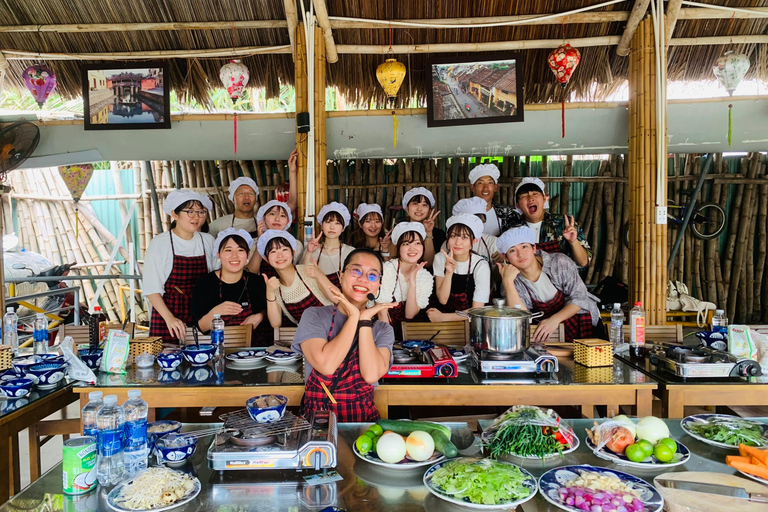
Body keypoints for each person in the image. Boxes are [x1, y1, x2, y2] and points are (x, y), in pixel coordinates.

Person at [292, 249, 396, 421]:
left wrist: (364, 321)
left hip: (364, 423)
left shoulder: (383, 330)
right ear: (341, 275)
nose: (363, 279)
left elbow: (371, 375)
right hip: (317, 421)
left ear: (378, 284)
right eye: (356, 271)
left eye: (372, 275)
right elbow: (326, 365)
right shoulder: (314, 316)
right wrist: (354, 316)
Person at [498, 226, 603, 343]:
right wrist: (508, 283)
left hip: (582, 320)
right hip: (551, 332)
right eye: (512, 250)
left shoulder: (559, 263)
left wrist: (554, 320)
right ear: (505, 257)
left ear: (534, 248)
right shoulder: (512, 281)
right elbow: (520, 318)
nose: (520, 254)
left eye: (524, 246)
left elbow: (579, 297)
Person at [145, 190, 217, 344]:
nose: (196, 217)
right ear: (175, 214)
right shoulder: (160, 243)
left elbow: (216, 276)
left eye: (200, 212)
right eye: (190, 211)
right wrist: (169, 318)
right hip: (168, 314)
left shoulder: (208, 241)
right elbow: (152, 289)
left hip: (200, 313)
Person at [190, 228, 266, 334]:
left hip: (253, 348)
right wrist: (216, 312)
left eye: (240, 250)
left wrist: (260, 316)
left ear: (247, 255)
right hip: (216, 347)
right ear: (218, 255)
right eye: (228, 250)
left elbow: (268, 311)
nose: (234, 255)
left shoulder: (256, 282)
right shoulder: (205, 284)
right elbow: (200, 327)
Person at [259, 230, 335, 327]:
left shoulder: (307, 271)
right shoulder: (275, 288)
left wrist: (319, 275)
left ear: (293, 252)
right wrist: (269, 292)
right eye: (273, 251)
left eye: (284, 249)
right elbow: (275, 323)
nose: (280, 256)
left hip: (332, 326)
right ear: (266, 259)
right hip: (307, 335)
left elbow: (337, 299)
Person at [511, 177, 591, 268]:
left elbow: (583, 262)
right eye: (524, 196)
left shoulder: (563, 223)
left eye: (535, 194)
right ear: (517, 204)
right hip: (528, 282)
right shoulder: (513, 231)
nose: (530, 198)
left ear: (545, 199)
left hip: (562, 281)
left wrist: (573, 242)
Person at [428, 214, 491, 322]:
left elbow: (477, 310)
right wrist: (449, 273)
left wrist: (443, 318)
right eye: (453, 236)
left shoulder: (481, 265)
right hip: (442, 320)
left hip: (471, 322)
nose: (457, 242)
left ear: (474, 241)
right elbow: (442, 300)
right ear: (447, 237)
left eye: (464, 237)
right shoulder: (440, 258)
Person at [376, 222, 433, 340]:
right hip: (383, 329)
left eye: (417, 243)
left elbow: (410, 314)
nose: (412, 248)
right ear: (397, 248)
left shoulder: (425, 276)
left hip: (411, 335)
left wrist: (412, 283)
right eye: (406, 244)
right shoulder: (388, 269)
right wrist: (387, 342)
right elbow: (382, 310)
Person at [303, 202, 355, 287]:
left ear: (343, 228)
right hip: (315, 299)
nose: (332, 227)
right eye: (328, 222)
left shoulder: (350, 252)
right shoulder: (312, 249)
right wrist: (309, 252)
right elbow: (302, 277)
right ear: (322, 225)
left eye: (337, 223)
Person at [248, 199, 304, 277]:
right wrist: (261, 243)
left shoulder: (296, 244)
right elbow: (250, 273)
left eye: (282, 215)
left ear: (288, 221)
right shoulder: (252, 243)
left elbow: (300, 273)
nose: (277, 219)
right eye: (272, 214)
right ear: (263, 219)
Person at [448, 197, 502, 264]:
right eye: (476, 219)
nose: (481, 222)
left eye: (482, 218)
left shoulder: (493, 242)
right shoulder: (449, 243)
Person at [469, 163, 517, 236]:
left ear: (495, 187)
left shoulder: (508, 214)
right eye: (480, 183)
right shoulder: (464, 214)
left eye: (490, 183)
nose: (485, 187)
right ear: (473, 187)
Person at [402, 187, 444, 267]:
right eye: (415, 204)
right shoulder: (400, 232)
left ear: (429, 211)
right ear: (407, 208)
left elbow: (430, 263)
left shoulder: (439, 234)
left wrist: (428, 232)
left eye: (424, 205)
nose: (419, 209)